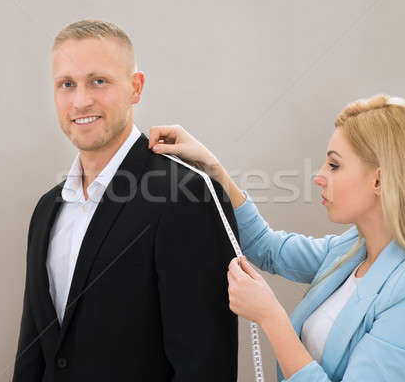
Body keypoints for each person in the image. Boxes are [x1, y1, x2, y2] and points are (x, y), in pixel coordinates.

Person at [148, 95, 405, 381]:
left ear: (380, 182)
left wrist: (271, 318)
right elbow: (269, 248)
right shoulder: (350, 252)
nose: (319, 177)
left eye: (334, 166)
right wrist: (213, 168)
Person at [12, 19, 238, 382]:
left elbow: (205, 366)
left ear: (135, 88)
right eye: (66, 84)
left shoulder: (185, 196)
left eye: (98, 81)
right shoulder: (47, 210)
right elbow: (34, 354)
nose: (80, 100)